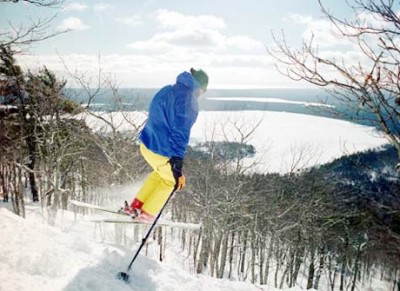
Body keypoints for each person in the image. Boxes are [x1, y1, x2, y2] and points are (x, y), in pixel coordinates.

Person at [122, 68, 209, 222]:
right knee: (171, 181)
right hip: (160, 150)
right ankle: (146, 215)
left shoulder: (167, 90)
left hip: (146, 144)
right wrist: (177, 161)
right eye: (204, 91)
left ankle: (136, 206)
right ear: (200, 88)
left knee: (160, 174)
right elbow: (181, 132)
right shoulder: (189, 101)